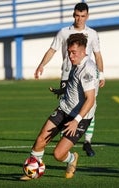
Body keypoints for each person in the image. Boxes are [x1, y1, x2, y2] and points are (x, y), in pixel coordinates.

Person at [20, 33, 99, 181]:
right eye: (69, 52)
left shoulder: (87, 70)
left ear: (83, 52)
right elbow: (76, 85)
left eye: (74, 52)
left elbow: (90, 99)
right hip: (64, 108)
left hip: (80, 117)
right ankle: (32, 172)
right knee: (41, 139)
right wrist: (63, 90)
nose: (70, 56)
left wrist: (76, 121)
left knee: (58, 154)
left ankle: (72, 159)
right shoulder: (77, 62)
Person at [34, 2, 105, 157]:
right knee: (43, 138)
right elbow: (52, 50)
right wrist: (42, 65)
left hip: (86, 78)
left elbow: (98, 55)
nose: (79, 19)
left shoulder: (92, 35)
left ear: (87, 16)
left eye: (83, 16)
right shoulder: (64, 33)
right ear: (73, 15)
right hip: (69, 77)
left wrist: (102, 73)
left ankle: (86, 141)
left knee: (87, 103)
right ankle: (62, 144)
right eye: (77, 15)